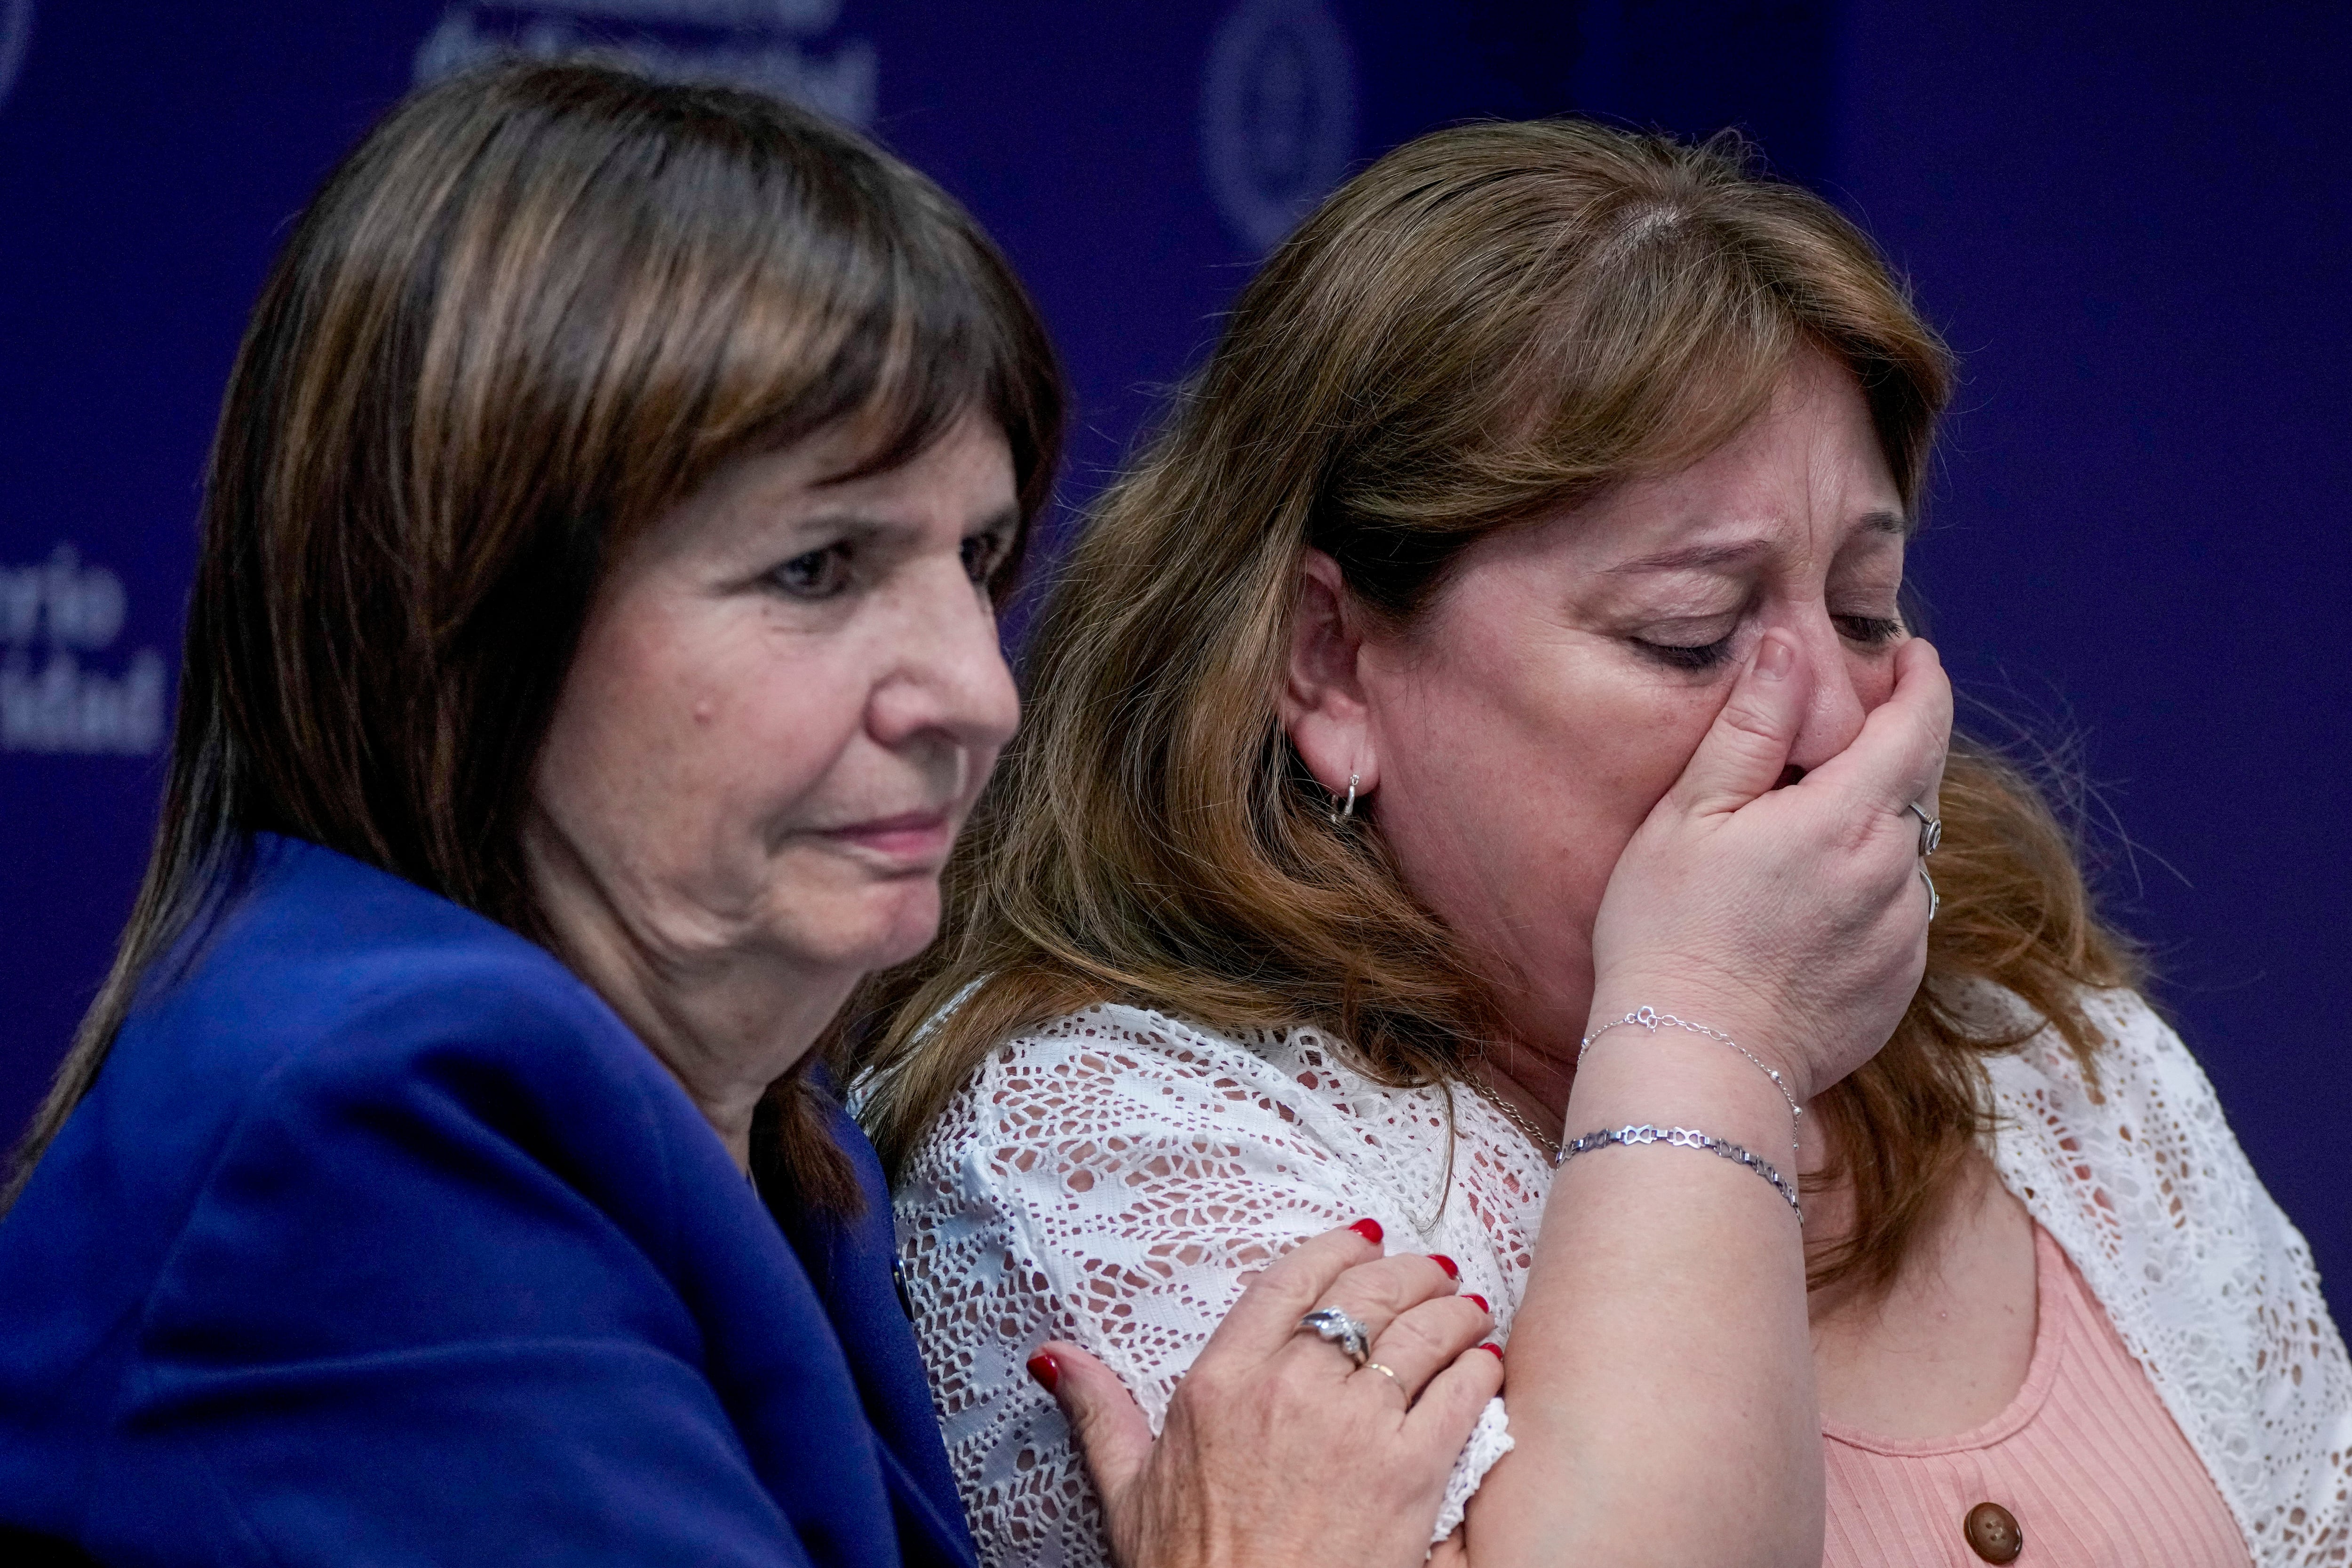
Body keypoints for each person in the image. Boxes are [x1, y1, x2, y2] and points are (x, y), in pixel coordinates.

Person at [0, 63, 1508, 1568]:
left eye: (976, 559)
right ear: (454, 609)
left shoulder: (781, 1136)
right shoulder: (380, 1134)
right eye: (817, 570)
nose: (977, 692)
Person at [854, 120, 2352, 1567]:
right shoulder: (1121, 1140)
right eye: (1688, 635)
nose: (1833, 722)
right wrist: (1710, 1033)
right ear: (1332, 664)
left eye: (1863, 610)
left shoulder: (2030, 1045)